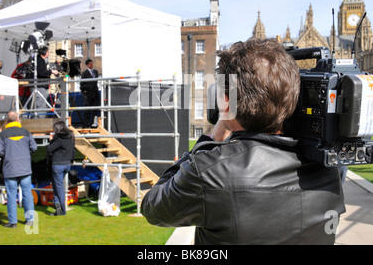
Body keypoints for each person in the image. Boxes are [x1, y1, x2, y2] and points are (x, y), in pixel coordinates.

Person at [141, 38, 346, 245]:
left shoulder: (209, 173)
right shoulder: (329, 168)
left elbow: (153, 206)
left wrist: (209, 143)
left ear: (227, 101)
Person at [0, 110, 37, 228]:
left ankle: (13, 222)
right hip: (25, 168)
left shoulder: (2, 134)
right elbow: (34, 147)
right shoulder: (26, 132)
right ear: (18, 120)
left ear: (7, 121)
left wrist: (7, 154)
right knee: (27, 194)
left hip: (10, 168)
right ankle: (30, 220)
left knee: (11, 196)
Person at [46, 121, 75, 216]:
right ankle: (57, 207)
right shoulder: (71, 136)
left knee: (59, 188)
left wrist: (51, 140)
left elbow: (49, 149)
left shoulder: (59, 139)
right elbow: (73, 149)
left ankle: (62, 210)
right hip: (67, 164)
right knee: (56, 185)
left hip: (58, 165)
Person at [35, 47, 59, 118]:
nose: (48, 54)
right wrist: (52, 71)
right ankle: (39, 122)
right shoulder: (39, 60)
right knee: (41, 105)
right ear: (44, 53)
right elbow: (41, 72)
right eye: (48, 52)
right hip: (40, 86)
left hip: (43, 86)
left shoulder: (41, 60)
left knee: (43, 105)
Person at [80, 59, 99, 128]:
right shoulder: (84, 73)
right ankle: (87, 123)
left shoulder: (96, 72)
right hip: (88, 94)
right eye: (90, 64)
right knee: (87, 109)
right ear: (87, 65)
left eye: (92, 63)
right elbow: (82, 84)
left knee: (95, 108)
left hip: (95, 92)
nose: (92, 65)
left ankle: (94, 122)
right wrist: (85, 92)